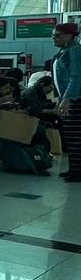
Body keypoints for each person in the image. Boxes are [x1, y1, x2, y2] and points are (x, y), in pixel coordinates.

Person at [53, 22, 81, 181]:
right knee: (71, 136)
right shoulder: (64, 51)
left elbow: (76, 77)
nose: (54, 38)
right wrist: (60, 98)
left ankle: (77, 171)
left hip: (76, 99)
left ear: (70, 35)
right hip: (68, 98)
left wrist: (68, 98)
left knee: (76, 136)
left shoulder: (75, 51)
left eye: (58, 35)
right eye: (53, 35)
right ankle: (74, 168)